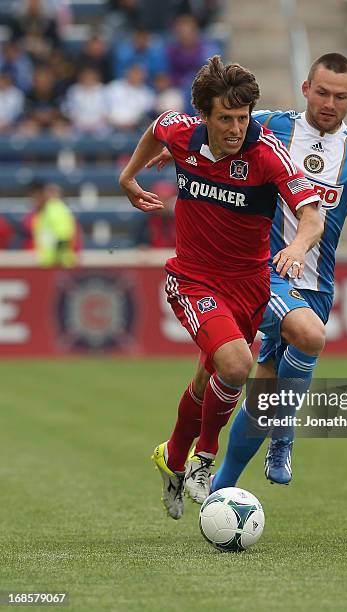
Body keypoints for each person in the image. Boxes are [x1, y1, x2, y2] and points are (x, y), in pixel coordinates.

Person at [148, 53, 347, 491]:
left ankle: (217, 487)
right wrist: (177, 154)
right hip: (264, 270)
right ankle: (281, 439)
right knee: (304, 338)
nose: (329, 103)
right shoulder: (268, 125)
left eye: (340, 96)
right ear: (305, 90)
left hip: (316, 283)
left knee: (251, 386)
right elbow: (215, 135)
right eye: (321, 92)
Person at [119, 55, 323, 520]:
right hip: (192, 278)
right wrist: (128, 178)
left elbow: (313, 214)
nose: (235, 128)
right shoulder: (182, 133)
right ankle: (203, 459)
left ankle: (172, 457)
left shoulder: (267, 154)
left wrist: (297, 247)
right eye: (225, 118)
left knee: (207, 377)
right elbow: (157, 126)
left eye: (242, 118)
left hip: (250, 286)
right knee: (236, 364)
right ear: (204, 116)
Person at [28, 181, 78, 267]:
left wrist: (56, 260)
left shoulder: (55, 208)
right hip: (50, 263)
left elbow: (64, 235)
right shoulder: (44, 212)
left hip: (58, 264)